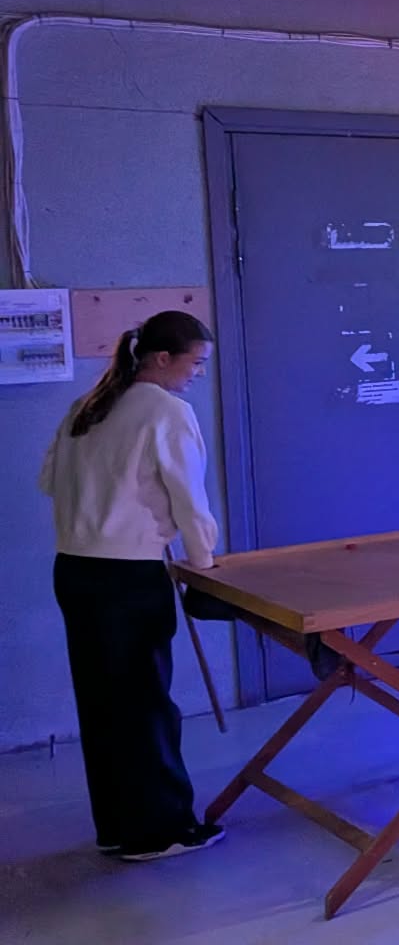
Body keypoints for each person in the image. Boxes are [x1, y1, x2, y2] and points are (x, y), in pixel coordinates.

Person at [37, 310, 225, 861]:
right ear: (162, 358)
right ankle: (159, 831)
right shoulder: (166, 411)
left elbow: (49, 482)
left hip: (75, 570)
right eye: (195, 362)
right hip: (128, 576)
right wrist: (203, 563)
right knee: (144, 702)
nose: (197, 374)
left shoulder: (88, 406)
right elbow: (189, 499)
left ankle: (117, 827)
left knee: (102, 703)